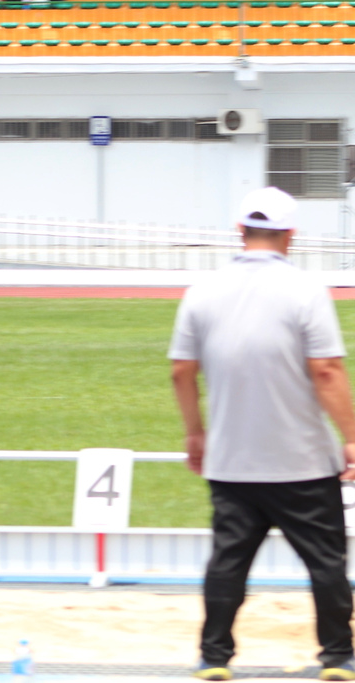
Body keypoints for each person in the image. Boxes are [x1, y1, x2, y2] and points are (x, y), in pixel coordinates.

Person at [169, 186, 355, 682]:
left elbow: (181, 371)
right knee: (326, 563)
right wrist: (352, 436)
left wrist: (194, 432)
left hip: (231, 461)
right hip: (303, 463)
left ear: (240, 231)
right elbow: (327, 371)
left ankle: (214, 658)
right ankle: (337, 657)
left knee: (228, 564)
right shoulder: (306, 290)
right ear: (290, 234)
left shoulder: (201, 291)